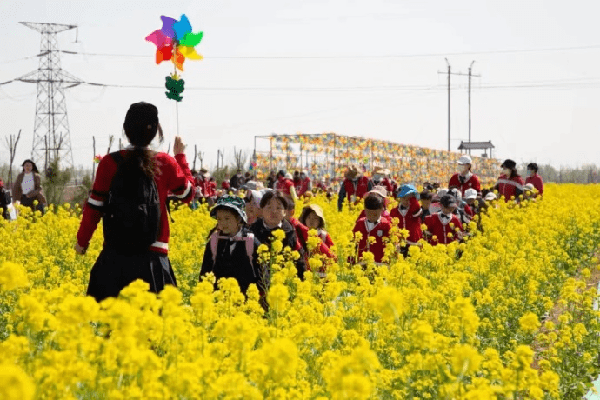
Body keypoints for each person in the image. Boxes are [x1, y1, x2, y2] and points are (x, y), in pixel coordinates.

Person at [75, 102, 195, 302]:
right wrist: (180, 156)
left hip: (114, 259)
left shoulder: (109, 162)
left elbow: (94, 207)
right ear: (156, 132)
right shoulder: (165, 162)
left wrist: (82, 242)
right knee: (155, 320)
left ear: (125, 129)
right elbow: (188, 195)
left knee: (109, 320)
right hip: (154, 260)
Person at [200, 196, 267, 296]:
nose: (223, 223)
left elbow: (263, 276)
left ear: (239, 219)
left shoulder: (250, 241)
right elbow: (205, 273)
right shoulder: (214, 241)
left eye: (227, 218)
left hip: (246, 300)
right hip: (219, 300)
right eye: (219, 219)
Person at [250, 190, 306, 279]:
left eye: (279, 208)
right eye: (269, 207)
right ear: (261, 210)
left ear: (285, 212)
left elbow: (300, 263)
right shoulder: (252, 232)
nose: (274, 211)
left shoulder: (290, 232)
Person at [285, 198, 334, 262]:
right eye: (309, 217)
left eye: (315, 218)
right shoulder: (300, 231)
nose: (311, 221)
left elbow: (330, 253)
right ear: (304, 219)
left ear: (320, 221)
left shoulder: (323, 235)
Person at [352, 194, 391, 264]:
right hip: (361, 264)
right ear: (365, 211)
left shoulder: (386, 225)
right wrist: (351, 262)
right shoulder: (360, 223)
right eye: (369, 213)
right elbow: (353, 244)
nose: (372, 216)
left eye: (375, 214)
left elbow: (391, 246)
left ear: (381, 210)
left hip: (379, 264)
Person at [390, 184, 423, 251]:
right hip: (399, 245)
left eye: (409, 198)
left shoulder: (415, 210)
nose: (406, 200)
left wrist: (413, 199)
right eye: (404, 197)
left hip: (414, 244)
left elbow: (416, 211)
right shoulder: (394, 211)